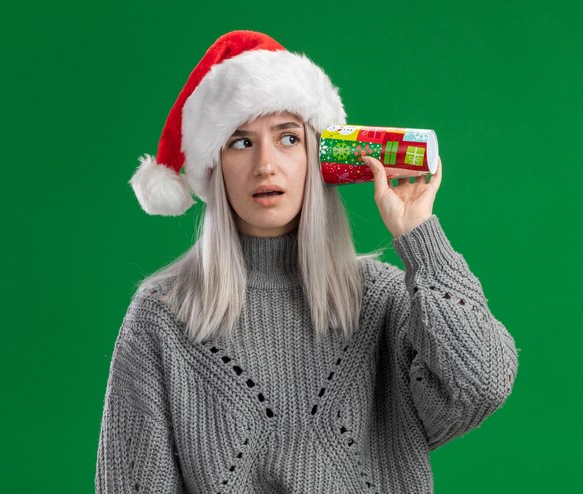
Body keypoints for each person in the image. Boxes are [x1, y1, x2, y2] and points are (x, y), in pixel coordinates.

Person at [95, 30, 519, 493]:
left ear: (319, 157)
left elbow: (482, 383)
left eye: (288, 138)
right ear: (213, 166)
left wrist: (419, 237)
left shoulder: (383, 300)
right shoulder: (162, 317)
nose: (265, 165)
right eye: (240, 142)